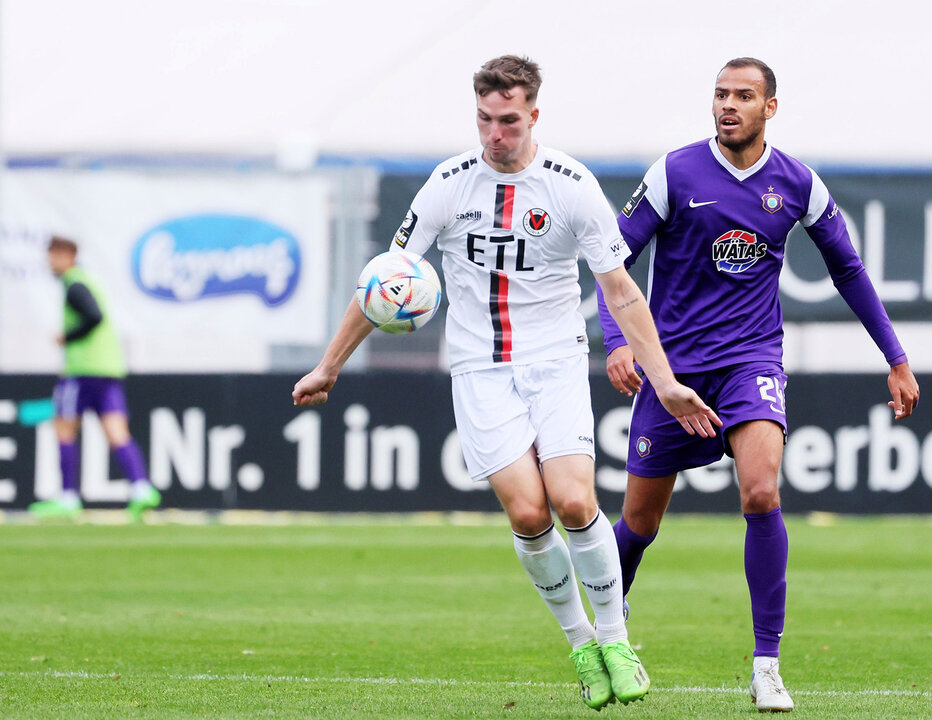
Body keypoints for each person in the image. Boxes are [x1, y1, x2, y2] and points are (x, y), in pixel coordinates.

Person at [291, 56, 719, 711]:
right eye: (485, 119)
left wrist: (664, 382)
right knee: (527, 513)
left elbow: (622, 291)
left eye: (509, 121)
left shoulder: (572, 186)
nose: (496, 133)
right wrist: (329, 366)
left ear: (533, 116)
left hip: (556, 363)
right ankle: (581, 644)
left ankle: (616, 639)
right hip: (480, 369)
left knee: (573, 501)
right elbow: (384, 280)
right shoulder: (448, 184)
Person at [598, 57, 920, 712]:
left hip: (752, 361)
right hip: (673, 368)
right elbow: (612, 260)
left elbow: (848, 268)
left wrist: (895, 357)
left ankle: (766, 665)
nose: (728, 105)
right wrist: (617, 342)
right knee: (638, 521)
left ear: (770, 106)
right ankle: (608, 627)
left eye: (744, 96)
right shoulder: (674, 173)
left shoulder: (798, 183)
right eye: (721, 94)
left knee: (762, 490)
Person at [30, 236, 161, 520]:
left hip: (83, 370)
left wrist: (67, 337)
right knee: (117, 432)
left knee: (64, 428)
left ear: (68, 255)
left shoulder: (74, 284)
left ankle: (68, 497)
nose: (50, 262)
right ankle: (141, 489)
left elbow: (93, 316)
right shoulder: (88, 280)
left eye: (54, 256)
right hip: (108, 369)